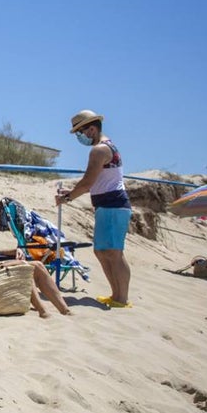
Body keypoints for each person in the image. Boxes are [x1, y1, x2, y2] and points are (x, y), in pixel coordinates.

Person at [55, 110, 132, 308]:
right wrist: (71, 191)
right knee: (102, 251)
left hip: (113, 205)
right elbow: (95, 181)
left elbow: (88, 182)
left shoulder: (99, 150)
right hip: (107, 206)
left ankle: (121, 298)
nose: (80, 137)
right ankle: (116, 295)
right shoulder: (105, 148)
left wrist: (68, 197)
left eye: (80, 132)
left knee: (114, 253)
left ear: (91, 128)